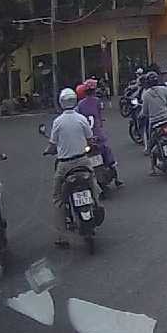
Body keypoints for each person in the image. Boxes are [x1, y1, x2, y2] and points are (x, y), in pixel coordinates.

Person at [47, 88, 99, 248]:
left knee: (58, 199)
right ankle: (97, 204)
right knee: (94, 184)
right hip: (83, 161)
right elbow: (90, 139)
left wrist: (48, 150)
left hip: (65, 165)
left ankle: (61, 237)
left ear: (61, 102)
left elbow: (52, 145)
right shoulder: (81, 118)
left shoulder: (58, 122)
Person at [75, 79, 121, 186]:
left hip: (86, 136)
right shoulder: (97, 101)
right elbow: (99, 115)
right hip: (98, 134)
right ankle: (117, 178)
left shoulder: (80, 104)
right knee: (108, 154)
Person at [139, 70, 167, 172]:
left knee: (151, 143)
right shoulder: (164, 89)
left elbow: (145, 112)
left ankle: (152, 168)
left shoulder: (146, 94)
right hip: (166, 120)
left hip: (154, 123)